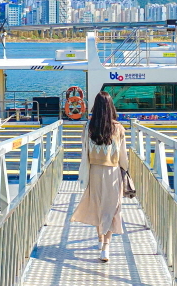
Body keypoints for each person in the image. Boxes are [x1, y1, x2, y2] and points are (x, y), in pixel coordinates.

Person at [71, 91, 128, 262]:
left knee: (97, 205)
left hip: (93, 171)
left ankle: (100, 239)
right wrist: (126, 171)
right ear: (111, 107)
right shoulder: (118, 128)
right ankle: (106, 247)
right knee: (111, 208)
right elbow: (123, 157)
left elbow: (84, 151)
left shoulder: (89, 127)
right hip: (112, 172)